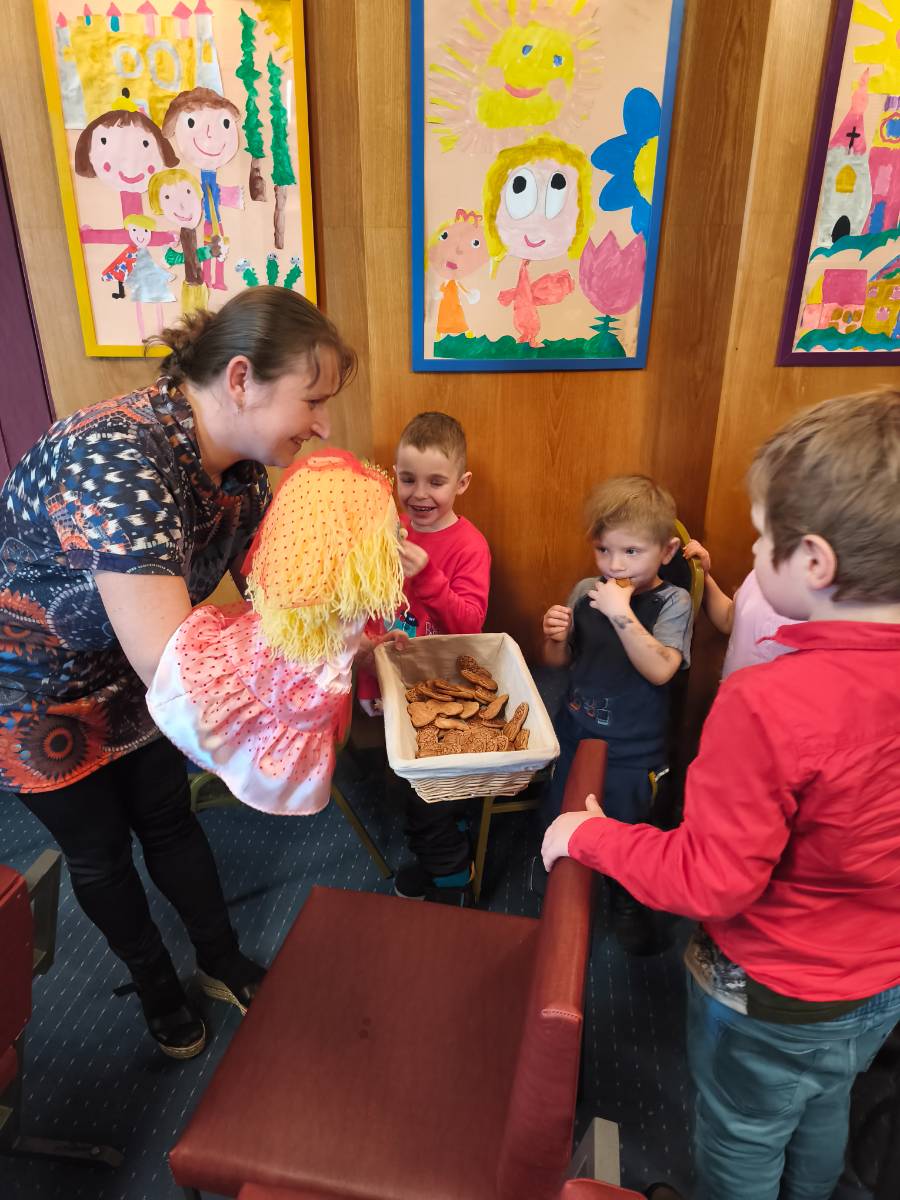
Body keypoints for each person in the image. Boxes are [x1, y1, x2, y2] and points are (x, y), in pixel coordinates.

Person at [542, 389, 900, 1200]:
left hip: (771, 992)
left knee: (742, 1136)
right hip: (879, 985)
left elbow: (712, 880)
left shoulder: (766, 703)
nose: (751, 546)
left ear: (815, 562)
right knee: (825, 1106)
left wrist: (590, 837)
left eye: (763, 535)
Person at [0, 286, 354, 1059]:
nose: (324, 424)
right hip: (31, 691)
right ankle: (157, 986)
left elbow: (273, 592)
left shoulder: (244, 471)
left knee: (166, 819)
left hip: (136, 670)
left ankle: (219, 959)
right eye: (313, 399)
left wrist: (356, 601)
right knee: (100, 852)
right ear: (240, 379)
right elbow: (175, 663)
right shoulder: (117, 456)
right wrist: (297, 700)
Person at [147, 449, 405, 817]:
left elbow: (339, 639)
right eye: (390, 533)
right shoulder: (315, 597)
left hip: (298, 691)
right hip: (262, 687)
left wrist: (369, 648)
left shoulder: (344, 595)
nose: (401, 536)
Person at [361, 412, 491, 905]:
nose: (419, 494)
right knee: (406, 787)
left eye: (436, 482)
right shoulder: (389, 533)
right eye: (408, 479)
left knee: (428, 798)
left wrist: (429, 577)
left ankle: (452, 880)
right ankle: (447, 850)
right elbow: (372, 612)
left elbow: (470, 626)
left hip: (447, 691)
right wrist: (369, 682)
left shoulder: (469, 545)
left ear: (462, 483)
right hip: (396, 685)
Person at [683, 537, 799, 678]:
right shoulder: (758, 575)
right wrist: (704, 576)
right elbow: (728, 618)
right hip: (733, 688)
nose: (756, 546)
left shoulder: (814, 606)